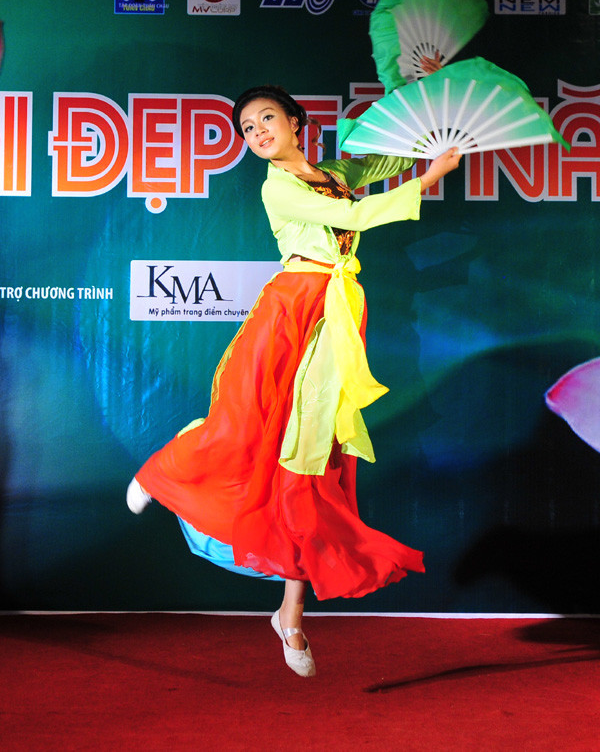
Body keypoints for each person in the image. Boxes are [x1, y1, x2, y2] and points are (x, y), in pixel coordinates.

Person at [127, 84, 461, 677]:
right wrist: (430, 178)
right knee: (242, 426)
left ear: (296, 121)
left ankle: (291, 615)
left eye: (266, 119)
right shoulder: (276, 186)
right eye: (248, 129)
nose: (257, 132)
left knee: (311, 467)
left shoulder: (332, 172)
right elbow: (353, 215)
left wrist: (425, 124)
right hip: (290, 309)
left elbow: (385, 159)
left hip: (334, 316)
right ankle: (161, 472)